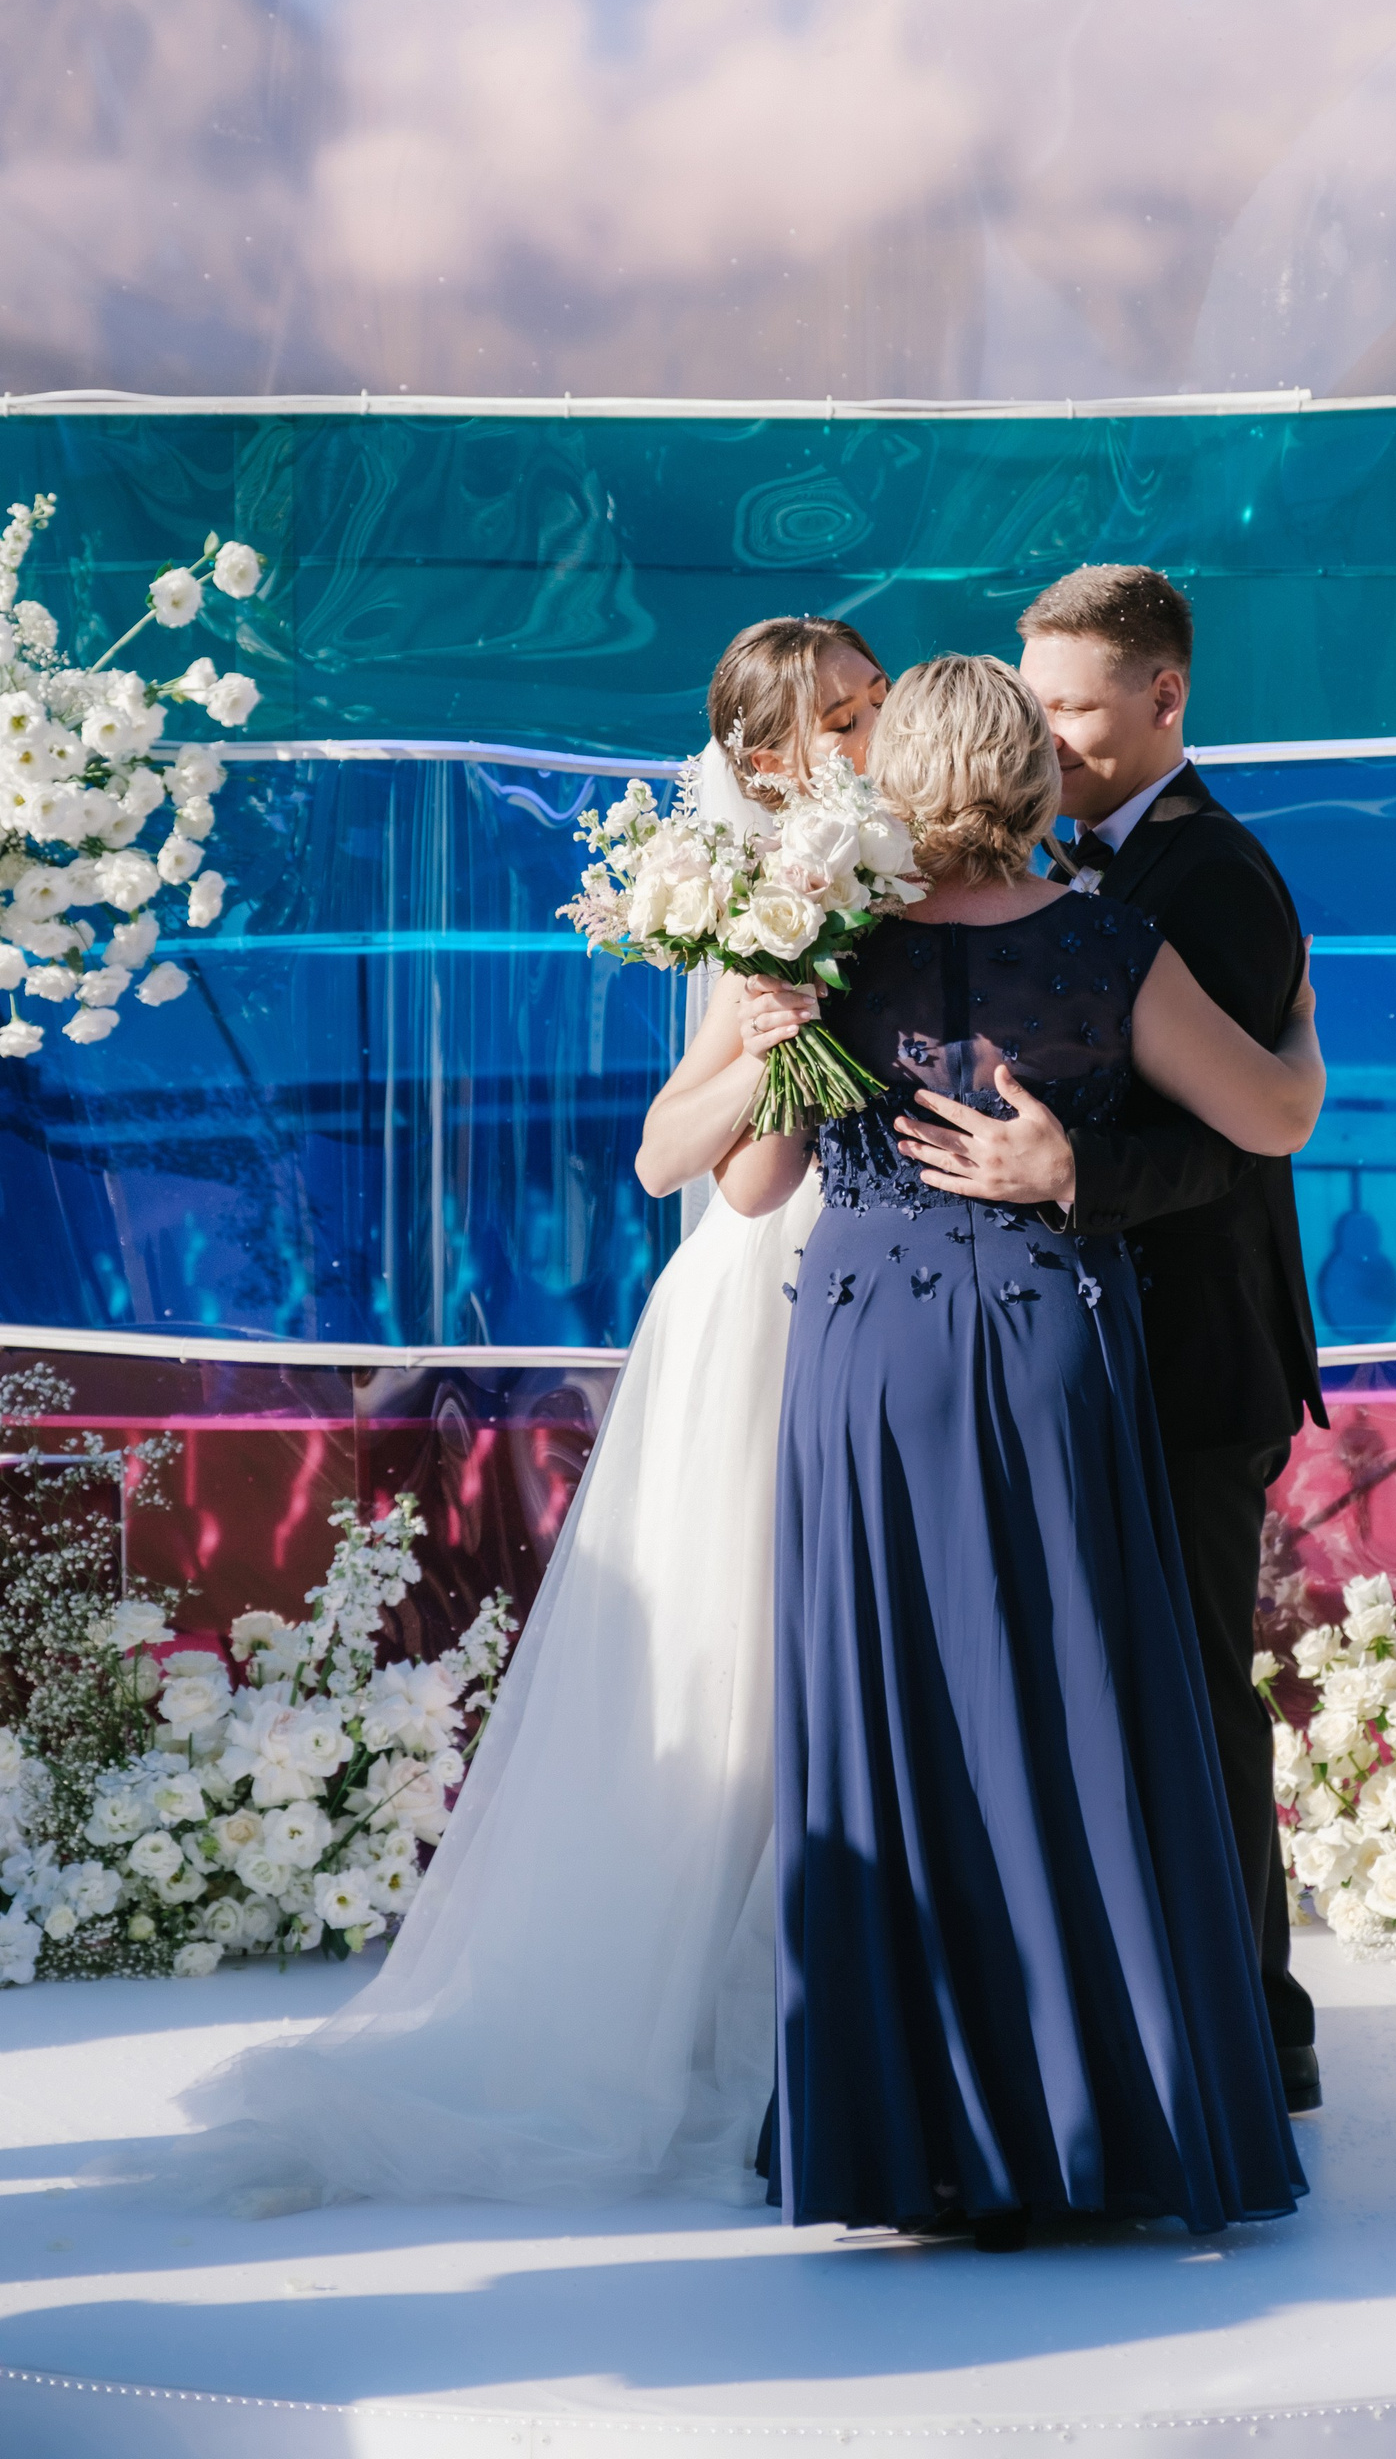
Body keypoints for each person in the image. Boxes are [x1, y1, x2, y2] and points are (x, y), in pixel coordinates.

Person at [155, 618, 887, 2215]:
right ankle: (711, 2030)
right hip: (752, 1305)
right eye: (842, 714)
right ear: (768, 758)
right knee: (732, 1663)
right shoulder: (768, 903)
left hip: (865, 1289)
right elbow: (666, 1153)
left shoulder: (885, 871)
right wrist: (776, 1038)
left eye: (877, 698)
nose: (871, 727)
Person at [720, 655, 1323, 2243]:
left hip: (864, 1349)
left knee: (896, 1707)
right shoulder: (1110, 942)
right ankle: (1107, 2119)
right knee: (1075, 1706)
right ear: (1029, 777)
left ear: (893, 779)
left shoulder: (822, 948)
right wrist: (1303, 1037)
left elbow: (750, 1189)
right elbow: (1271, 1120)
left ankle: (909, 2136)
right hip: (1046, 1330)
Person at [892, 568, 1325, 2113]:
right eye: (1033, 707)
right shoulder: (1072, 869)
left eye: (1071, 708)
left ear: (1165, 697)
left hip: (1196, 1356)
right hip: (1091, 1347)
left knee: (1200, 1695)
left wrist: (1076, 1171)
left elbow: (1239, 1142)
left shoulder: (1213, 877)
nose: (1046, 738)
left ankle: (1261, 2030)